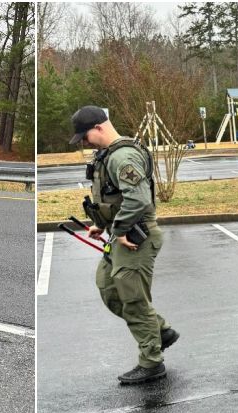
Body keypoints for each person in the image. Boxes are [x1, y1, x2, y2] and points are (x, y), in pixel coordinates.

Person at [69, 105, 178, 385]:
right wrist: (101, 224)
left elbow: (139, 199)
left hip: (135, 238)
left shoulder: (124, 157)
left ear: (99, 128)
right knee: (108, 288)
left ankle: (151, 362)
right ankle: (160, 330)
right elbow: (115, 198)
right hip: (122, 235)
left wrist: (117, 229)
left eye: (85, 136)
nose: (83, 142)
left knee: (134, 300)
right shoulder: (107, 156)